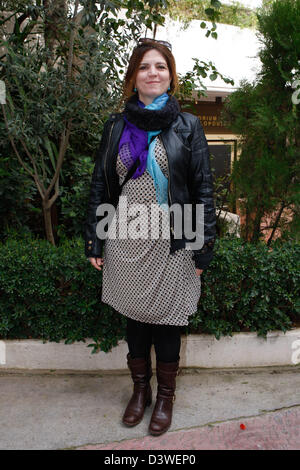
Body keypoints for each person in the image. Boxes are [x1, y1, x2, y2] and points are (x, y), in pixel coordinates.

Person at [84, 38, 216, 436]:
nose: (152, 73)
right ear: (133, 77)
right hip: (126, 235)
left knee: (168, 318)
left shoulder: (188, 125)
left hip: (173, 236)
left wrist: (200, 248)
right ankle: (140, 391)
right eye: (144, 67)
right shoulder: (116, 125)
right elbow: (102, 186)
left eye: (160, 66)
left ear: (171, 77)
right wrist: (96, 238)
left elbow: (201, 189)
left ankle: (165, 397)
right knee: (135, 317)